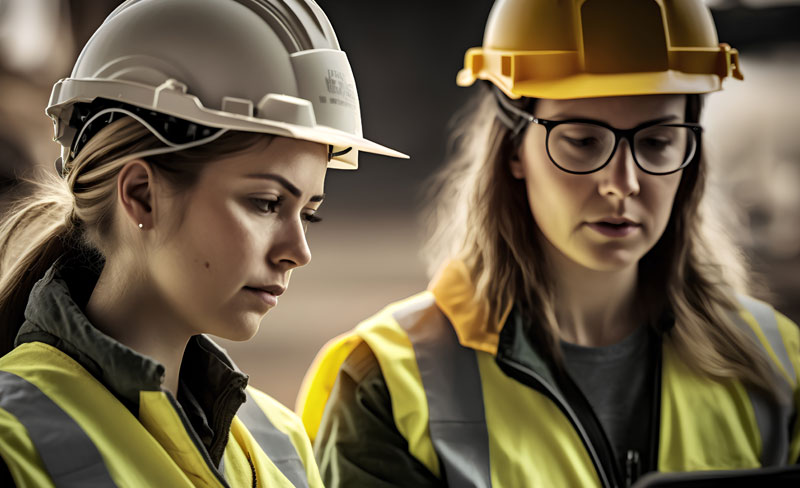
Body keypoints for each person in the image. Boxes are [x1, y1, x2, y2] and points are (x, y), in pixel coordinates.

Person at [298, 1, 800, 487]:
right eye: (583, 141)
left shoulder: (779, 364)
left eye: (657, 142)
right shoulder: (386, 383)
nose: (622, 183)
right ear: (514, 148)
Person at [0, 0, 405, 486]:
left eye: (309, 213)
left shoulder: (282, 442)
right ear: (142, 196)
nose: (298, 250)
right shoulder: (15, 443)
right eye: (266, 203)